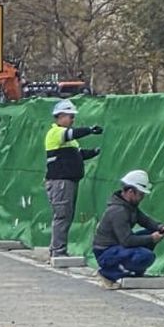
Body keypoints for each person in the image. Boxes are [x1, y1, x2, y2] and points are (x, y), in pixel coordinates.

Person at [91, 169, 164, 288]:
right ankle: (108, 274)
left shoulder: (129, 207)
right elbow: (127, 241)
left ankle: (132, 270)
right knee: (147, 256)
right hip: (106, 252)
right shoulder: (118, 211)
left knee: (151, 234)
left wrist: (161, 227)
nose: (142, 197)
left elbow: (145, 220)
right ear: (130, 192)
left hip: (117, 247)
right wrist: (151, 238)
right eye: (140, 194)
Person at [43, 100, 102, 258]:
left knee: (66, 215)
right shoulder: (56, 133)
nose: (72, 120)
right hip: (60, 182)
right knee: (62, 216)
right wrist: (89, 130)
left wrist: (96, 152)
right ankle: (58, 251)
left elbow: (79, 154)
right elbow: (72, 133)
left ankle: (58, 249)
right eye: (70, 116)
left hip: (67, 181)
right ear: (60, 116)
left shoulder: (68, 140)